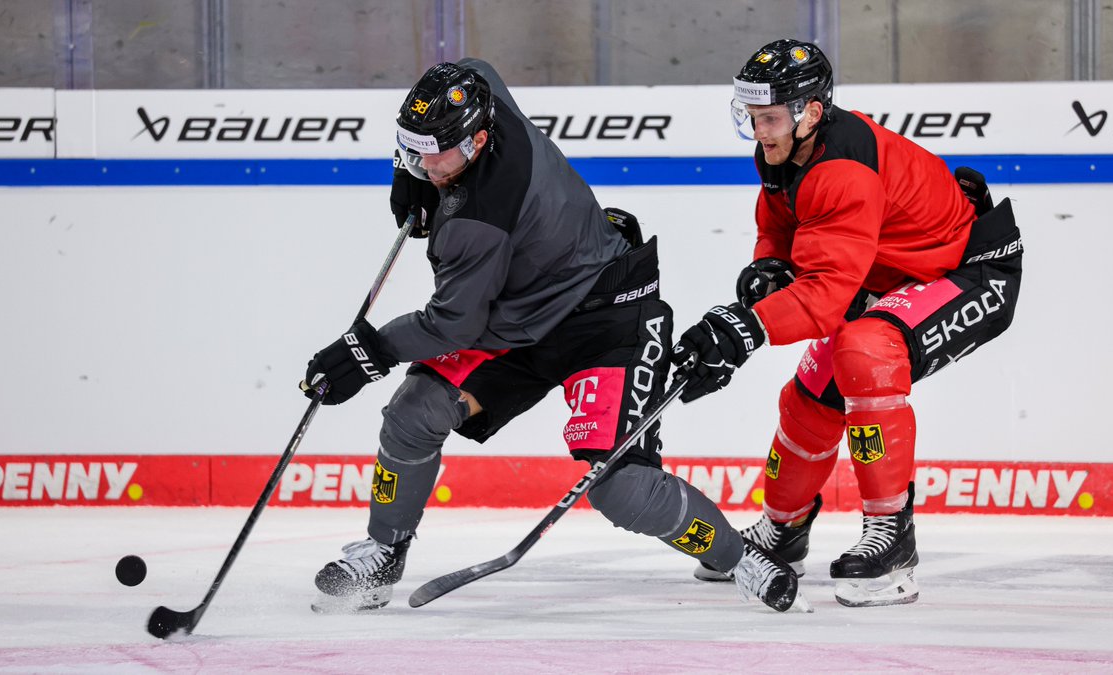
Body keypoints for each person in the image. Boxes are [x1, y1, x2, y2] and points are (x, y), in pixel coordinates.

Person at [301, 58, 804, 613]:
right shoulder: (483, 101)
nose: (423, 162)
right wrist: (413, 175)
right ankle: (384, 551)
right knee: (414, 410)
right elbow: (474, 66)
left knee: (622, 489)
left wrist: (370, 350)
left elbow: (452, 324)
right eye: (410, 148)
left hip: (608, 320)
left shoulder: (476, 222)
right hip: (519, 321)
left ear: (478, 139)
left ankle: (740, 559)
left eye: (433, 153)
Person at [671, 39, 1023, 607]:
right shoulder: (785, 149)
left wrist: (747, 326)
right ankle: (783, 532)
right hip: (890, 276)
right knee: (809, 396)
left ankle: (893, 539)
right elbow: (783, 222)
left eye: (771, 118)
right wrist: (769, 263)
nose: (761, 132)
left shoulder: (843, 169)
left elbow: (826, 298)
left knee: (863, 348)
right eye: (752, 118)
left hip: (969, 271)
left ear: (812, 110)